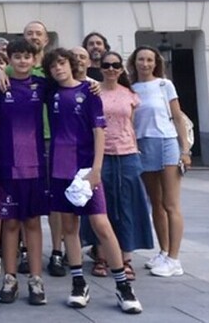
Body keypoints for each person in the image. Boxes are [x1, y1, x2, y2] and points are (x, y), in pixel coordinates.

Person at [44, 48, 142, 313]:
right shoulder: (49, 92)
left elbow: (99, 132)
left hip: (86, 167)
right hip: (59, 168)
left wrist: (96, 168)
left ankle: (122, 285)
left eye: (62, 63)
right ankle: (78, 282)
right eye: (53, 66)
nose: (58, 69)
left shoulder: (90, 92)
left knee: (101, 222)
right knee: (69, 225)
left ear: (71, 65)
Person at [82, 51, 153, 281]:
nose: (111, 69)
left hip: (128, 154)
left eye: (115, 65)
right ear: (100, 68)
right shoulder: (93, 92)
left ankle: (126, 258)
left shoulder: (131, 95)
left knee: (127, 207)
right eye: (106, 65)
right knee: (103, 207)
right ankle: (102, 255)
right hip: (101, 155)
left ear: (121, 69)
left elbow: (131, 124)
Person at [0, 37, 48, 306]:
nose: (22, 61)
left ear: (34, 59)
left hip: (35, 165)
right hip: (7, 164)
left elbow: (71, 82)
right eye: (17, 57)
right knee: (11, 223)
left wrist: (93, 84)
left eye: (27, 56)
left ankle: (36, 279)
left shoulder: (42, 85)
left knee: (32, 222)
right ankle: (10, 277)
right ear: (9, 59)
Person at [128, 45, 190, 278]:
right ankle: (164, 251)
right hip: (143, 145)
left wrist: (185, 150)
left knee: (171, 203)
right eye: (141, 59)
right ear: (134, 63)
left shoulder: (165, 85)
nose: (145, 64)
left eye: (149, 60)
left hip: (165, 142)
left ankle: (174, 258)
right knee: (155, 202)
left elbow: (177, 117)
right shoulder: (131, 88)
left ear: (156, 63)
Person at [22, 19, 66, 278]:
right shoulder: (10, 68)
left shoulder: (53, 70)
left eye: (38, 33)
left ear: (46, 39)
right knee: (29, 199)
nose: (34, 37)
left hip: (54, 139)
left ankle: (58, 252)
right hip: (25, 143)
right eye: (29, 33)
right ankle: (27, 250)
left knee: (56, 201)